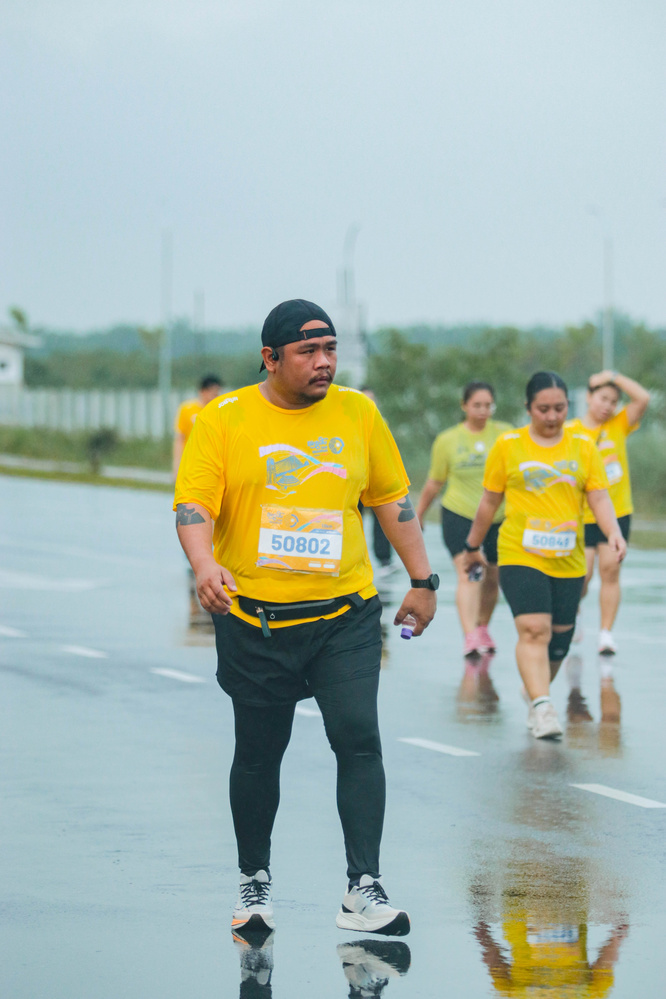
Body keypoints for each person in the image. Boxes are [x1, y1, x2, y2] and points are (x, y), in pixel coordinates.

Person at [174, 298, 437, 936]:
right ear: (270, 358)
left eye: (331, 350)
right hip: (256, 620)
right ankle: (254, 880)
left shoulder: (358, 412)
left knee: (359, 738)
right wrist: (204, 564)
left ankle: (363, 888)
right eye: (308, 351)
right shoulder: (224, 418)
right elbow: (193, 504)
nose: (324, 362)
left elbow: (391, 500)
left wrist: (423, 580)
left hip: (344, 615)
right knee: (259, 753)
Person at [462, 372, 626, 740]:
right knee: (534, 629)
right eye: (543, 409)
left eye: (559, 408)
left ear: (569, 406)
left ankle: (535, 690)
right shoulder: (509, 445)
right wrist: (472, 546)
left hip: (568, 556)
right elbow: (489, 501)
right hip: (521, 552)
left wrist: (613, 532)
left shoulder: (583, 446)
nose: (552, 416)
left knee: (560, 640)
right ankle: (542, 706)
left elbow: (599, 497)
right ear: (528, 408)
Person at [415, 382, 512, 656]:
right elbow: (435, 482)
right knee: (470, 573)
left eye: (488, 405)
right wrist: (419, 514)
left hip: (498, 518)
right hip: (460, 514)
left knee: (492, 577)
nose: (483, 411)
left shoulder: (506, 435)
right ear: (464, 405)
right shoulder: (448, 440)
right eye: (477, 405)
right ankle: (469, 635)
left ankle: (482, 627)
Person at [566, 370, 650, 655]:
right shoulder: (571, 430)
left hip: (617, 512)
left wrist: (612, 376)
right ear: (589, 397)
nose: (608, 406)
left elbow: (643, 398)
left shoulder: (618, 424)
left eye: (613, 401)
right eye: (603, 398)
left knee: (610, 570)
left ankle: (605, 634)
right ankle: (575, 612)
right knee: (584, 574)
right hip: (583, 515)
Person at [359, 387, 395, 578]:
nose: (369, 403)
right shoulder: (349, 422)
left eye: (372, 400)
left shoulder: (382, 423)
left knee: (382, 520)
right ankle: (354, 560)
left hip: (375, 480)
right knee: (353, 520)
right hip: (355, 481)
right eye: (365, 399)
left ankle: (384, 560)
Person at [172, 374, 224, 478]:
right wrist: (176, 467)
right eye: (213, 393)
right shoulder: (187, 409)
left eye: (217, 393)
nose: (216, 396)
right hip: (191, 463)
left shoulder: (220, 411)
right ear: (203, 391)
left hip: (212, 464)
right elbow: (180, 438)